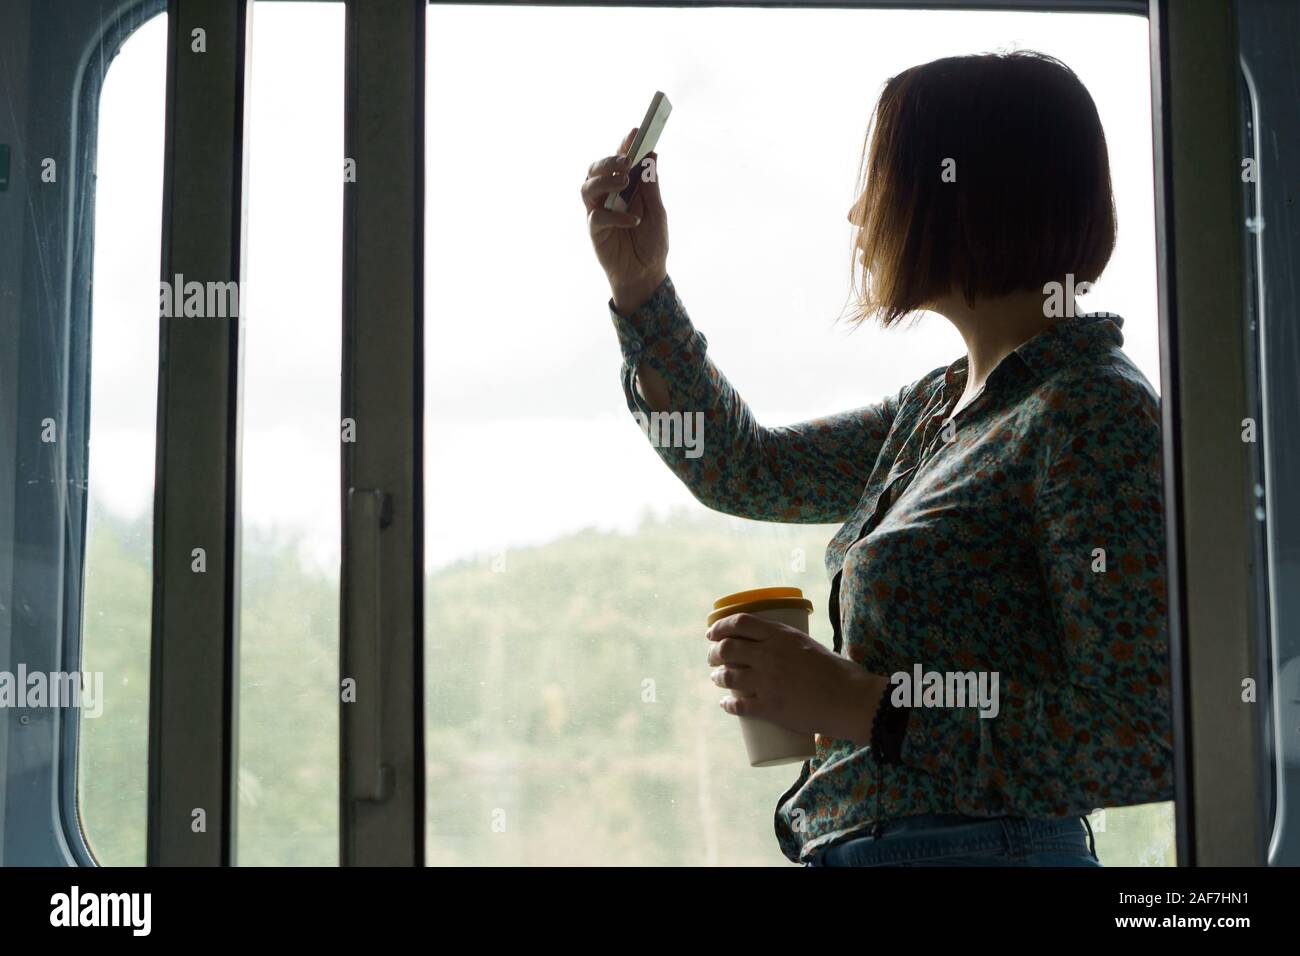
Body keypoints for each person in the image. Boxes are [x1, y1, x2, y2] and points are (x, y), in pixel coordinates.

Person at [580, 51, 1172, 867]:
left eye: (882, 181)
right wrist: (643, 290)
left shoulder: (1093, 413)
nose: (859, 216)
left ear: (963, 194)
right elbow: (742, 467)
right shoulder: (938, 407)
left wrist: (868, 707)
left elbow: (1141, 734)